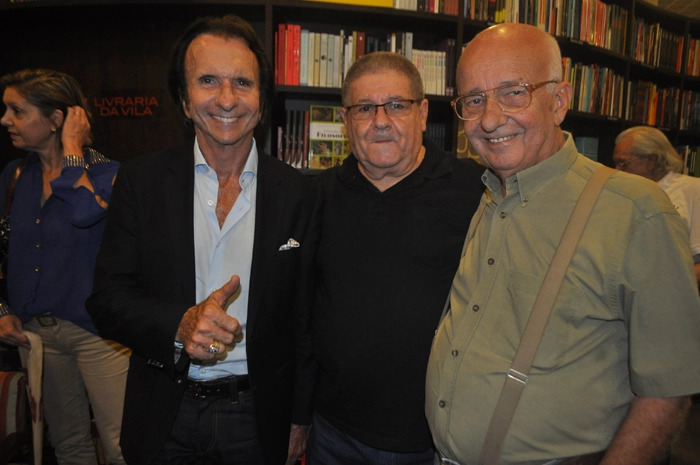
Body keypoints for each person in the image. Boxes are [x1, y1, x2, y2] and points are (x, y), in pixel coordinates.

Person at [425, 23, 700, 464]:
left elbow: (669, 389)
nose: (491, 118)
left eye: (514, 92)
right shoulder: (489, 198)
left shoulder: (635, 211)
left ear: (560, 101)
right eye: (473, 100)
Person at [85, 14, 317, 465]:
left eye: (243, 83)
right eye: (208, 80)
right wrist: (180, 323)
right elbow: (107, 300)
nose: (227, 99)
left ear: (262, 100)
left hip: (258, 416)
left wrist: (300, 420)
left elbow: (306, 323)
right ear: (184, 99)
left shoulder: (301, 193)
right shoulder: (141, 181)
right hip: (162, 411)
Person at [305, 52, 484, 465]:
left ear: (422, 113)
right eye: (365, 108)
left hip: (431, 441)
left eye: (397, 106)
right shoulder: (317, 195)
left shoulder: (477, 193)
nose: (380, 121)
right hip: (331, 431)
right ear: (346, 120)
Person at [0, 69, 128, 465]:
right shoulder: (14, 176)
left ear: (57, 119)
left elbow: (85, 212)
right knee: (68, 445)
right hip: (38, 336)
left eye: (17, 111)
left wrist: (72, 150)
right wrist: (2, 311)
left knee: (122, 446)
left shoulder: (108, 173)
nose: (5, 120)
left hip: (100, 338)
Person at [614, 125, 700, 284]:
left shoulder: (693, 190)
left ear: (651, 160)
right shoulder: (620, 191)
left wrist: (668, 285)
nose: (617, 170)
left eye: (623, 163)